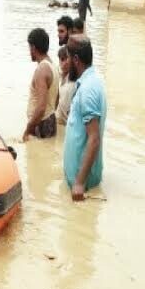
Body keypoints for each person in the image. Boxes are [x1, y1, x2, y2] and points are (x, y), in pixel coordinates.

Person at [63, 35, 106, 201]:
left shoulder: (88, 89)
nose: (65, 63)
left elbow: (94, 138)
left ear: (76, 59)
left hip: (81, 186)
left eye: (67, 57)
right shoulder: (89, 82)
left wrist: (79, 182)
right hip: (77, 184)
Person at [23, 28, 60, 141]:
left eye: (29, 48)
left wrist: (28, 129)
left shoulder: (42, 70)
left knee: (34, 157)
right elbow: (57, 97)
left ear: (34, 48)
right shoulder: (53, 66)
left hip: (41, 124)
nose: (29, 51)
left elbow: (41, 107)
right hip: (50, 120)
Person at [56, 46, 77, 125]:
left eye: (66, 59)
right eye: (61, 59)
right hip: (58, 121)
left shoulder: (73, 82)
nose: (64, 63)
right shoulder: (59, 76)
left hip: (67, 123)